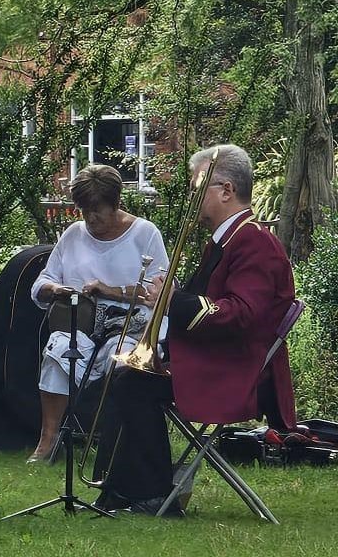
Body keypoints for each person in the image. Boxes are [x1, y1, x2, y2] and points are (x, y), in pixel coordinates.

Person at [101, 145, 298, 517]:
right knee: (128, 375)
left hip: (236, 372)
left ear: (225, 190)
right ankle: (121, 489)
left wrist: (175, 300)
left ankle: (153, 493)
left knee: (132, 383)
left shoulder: (254, 242)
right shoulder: (231, 239)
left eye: (197, 188)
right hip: (222, 361)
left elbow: (242, 314)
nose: (193, 198)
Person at [27, 165, 167, 463]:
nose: (90, 218)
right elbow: (40, 284)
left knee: (122, 363)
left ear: (116, 203)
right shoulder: (73, 235)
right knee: (58, 349)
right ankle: (48, 439)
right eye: (84, 210)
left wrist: (110, 290)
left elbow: (163, 293)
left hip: (130, 329)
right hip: (83, 327)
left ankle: (116, 443)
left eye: (97, 210)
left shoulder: (144, 234)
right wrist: (56, 289)